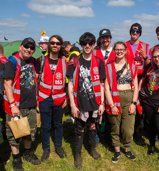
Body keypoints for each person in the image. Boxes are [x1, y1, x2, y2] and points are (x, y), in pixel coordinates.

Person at [67, 32, 106, 168]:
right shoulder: (74, 61)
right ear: (81, 44)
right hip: (80, 102)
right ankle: (77, 155)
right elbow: (70, 84)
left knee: (93, 126)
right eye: (84, 43)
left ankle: (92, 149)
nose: (87, 45)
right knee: (79, 128)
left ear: (94, 44)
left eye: (90, 43)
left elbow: (101, 84)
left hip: (95, 102)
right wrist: (72, 104)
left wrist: (101, 103)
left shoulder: (99, 62)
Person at [3, 37, 41, 170]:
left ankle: (28, 152)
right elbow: (7, 85)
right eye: (26, 46)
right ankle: (16, 158)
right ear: (20, 47)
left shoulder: (32, 61)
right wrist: (13, 105)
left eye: (31, 48)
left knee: (30, 131)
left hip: (30, 104)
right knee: (14, 133)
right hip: (16, 105)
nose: (28, 50)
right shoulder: (12, 62)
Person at [104, 41, 141, 163]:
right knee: (115, 126)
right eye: (117, 49)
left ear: (125, 51)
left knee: (128, 127)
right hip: (114, 98)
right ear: (114, 51)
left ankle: (127, 149)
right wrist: (112, 105)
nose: (119, 51)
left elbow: (135, 85)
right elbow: (106, 87)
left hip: (129, 98)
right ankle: (117, 150)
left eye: (122, 49)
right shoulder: (109, 67)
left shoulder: (132, 66)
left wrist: (134, 103)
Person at [37, 35, 67, 162]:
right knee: (45, 125)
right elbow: (36, 80)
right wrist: (37, 100)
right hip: (44, 98)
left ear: (60, 45)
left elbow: (68, 81)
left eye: (58, 43)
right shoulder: (41, 60)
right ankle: (46, 148)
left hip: (59, 98)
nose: (55, 45)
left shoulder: (65, 61)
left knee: (58, 124)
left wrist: (66, 98)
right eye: (53, 43)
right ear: (49, 44)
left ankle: (58, 146)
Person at [125, 23, 150, 143]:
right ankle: (126, 130)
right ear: (130, 32)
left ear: (140, 33)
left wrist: (145, 56)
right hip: (127, 79)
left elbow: (149, 65)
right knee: (128, 104)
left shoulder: (145, 46)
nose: (135, 34)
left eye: (137, 32)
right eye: (133, 31)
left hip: (142, 80)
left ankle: (137, 132)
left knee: (141, 107)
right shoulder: (124, 45)